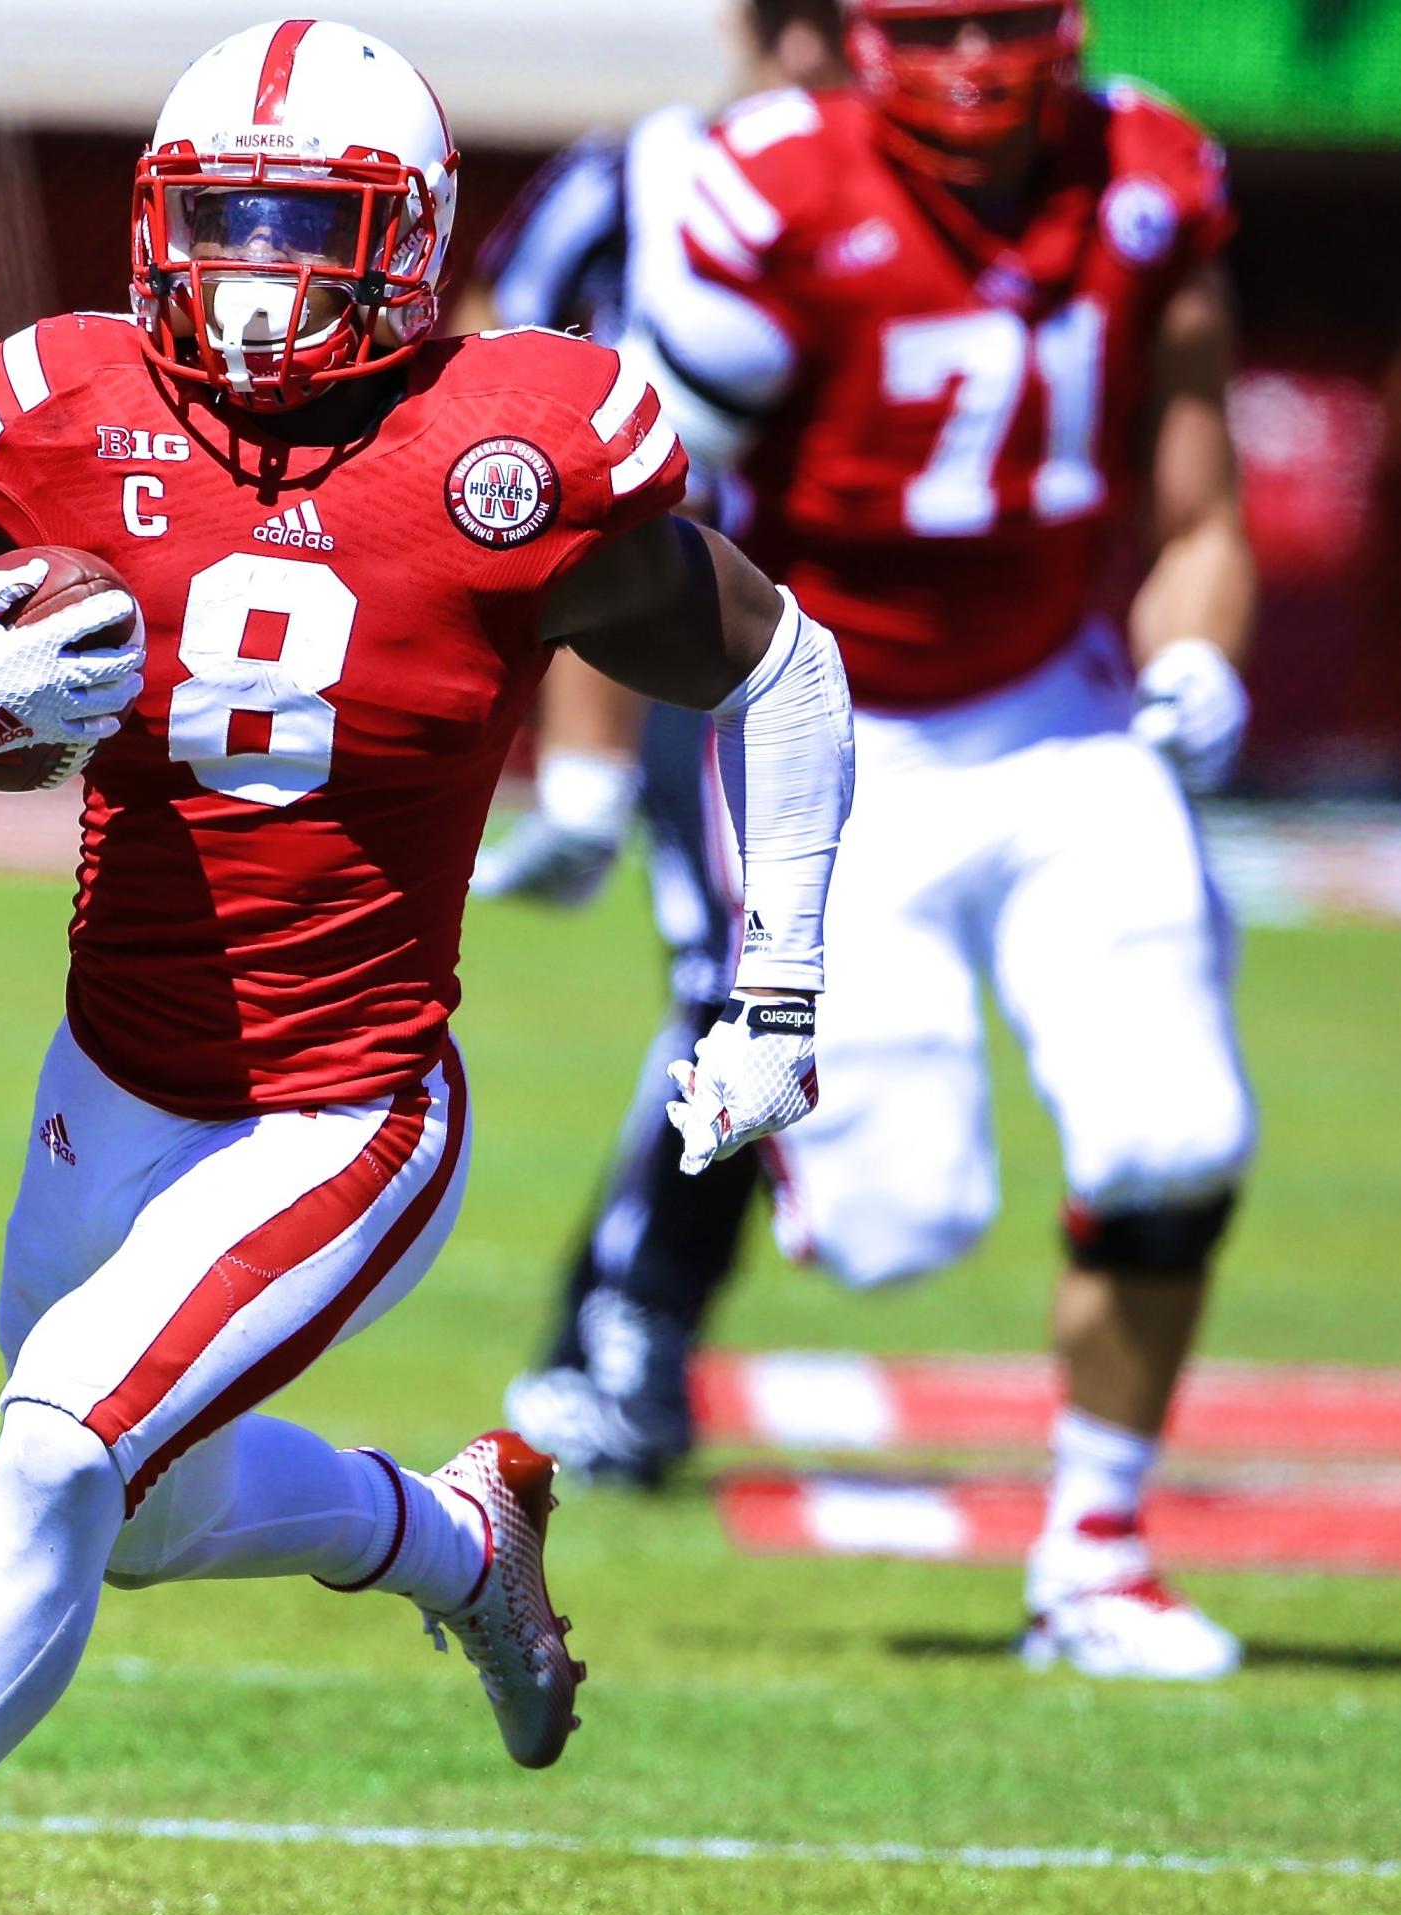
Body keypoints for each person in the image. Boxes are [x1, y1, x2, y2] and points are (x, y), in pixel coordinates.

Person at [0, 19, 855, 1915]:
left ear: (414, 242)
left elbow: (783, 668)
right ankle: (458, 1540)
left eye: (311, 224)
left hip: (344, 1110)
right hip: (112, 1087)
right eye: (225, 221)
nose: (262, 271)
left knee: (58, 1448)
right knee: (147, 1508)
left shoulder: (504, 453)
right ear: (154, 224)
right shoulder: (59, 409)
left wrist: (778, 985)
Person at [563, 0, 1261, 1680]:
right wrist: (594, 771)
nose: (967, 59)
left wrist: (1197, 650)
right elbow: (627, 531)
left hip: (1055, 711)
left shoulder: (1148, 176)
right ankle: (805, 1114)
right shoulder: (763, 191)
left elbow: (1198, 507)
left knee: (1173, 1129)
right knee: (898, 1226)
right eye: (931, 21)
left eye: (1001, 20)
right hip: (827, 724)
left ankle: (1093, 1554)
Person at [471, 0, 849, 1491]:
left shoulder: (950, 203)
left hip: (869, 647)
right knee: (732, 983)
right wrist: (574, 742)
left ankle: (633, 1332)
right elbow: (498, 399)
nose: (838, 58)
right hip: (704, 649)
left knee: (803, 1013)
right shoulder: (638, 177)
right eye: (815, 23)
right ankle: (619, 1337)